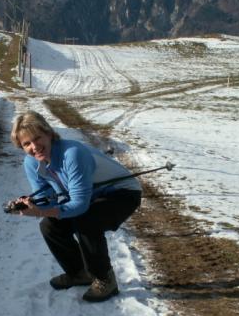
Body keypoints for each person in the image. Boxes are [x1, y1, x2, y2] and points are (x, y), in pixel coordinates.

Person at [9, 111, 142, 302]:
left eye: (38, 138)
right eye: (26, 144)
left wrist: (39, 211)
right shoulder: (32, 162)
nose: (34, 146)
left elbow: (79, 205)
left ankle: (105, 279)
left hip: (122, 193)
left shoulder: (72, 154)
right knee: (49, 225)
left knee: (86, 221)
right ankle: (80, 273)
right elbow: (48, 194)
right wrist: (33, 203)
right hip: (93, 196)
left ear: (49, 133)